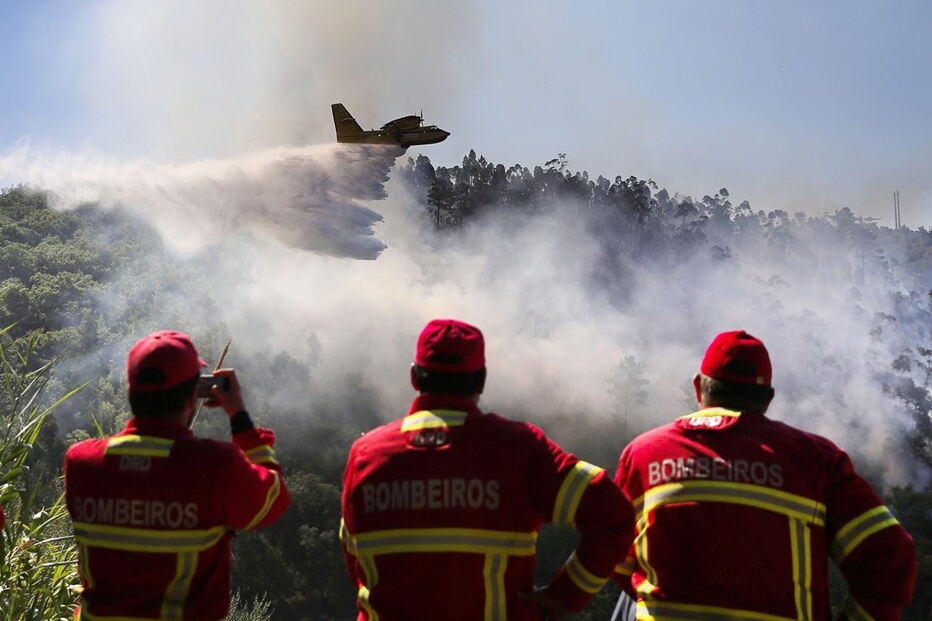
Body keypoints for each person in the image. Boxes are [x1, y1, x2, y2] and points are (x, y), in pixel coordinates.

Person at [340, 318, 634, 621]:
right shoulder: (519, 449)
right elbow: (614, 514)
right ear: (481, 381)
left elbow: (354, 557)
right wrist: (565, 596)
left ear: (414, 377)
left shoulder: (365, 455)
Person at [612, 330, 916, 620]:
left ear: (697, 386)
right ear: (768, 398)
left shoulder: (642, 454)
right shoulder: (818, 460)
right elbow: (890, 553)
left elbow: (616, 558)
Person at [64, 330, 290, 621]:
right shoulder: (213, 465)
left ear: (131, 390)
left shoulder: (81, 463)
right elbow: (272, 501)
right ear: (191, 397)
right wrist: (240, 417)